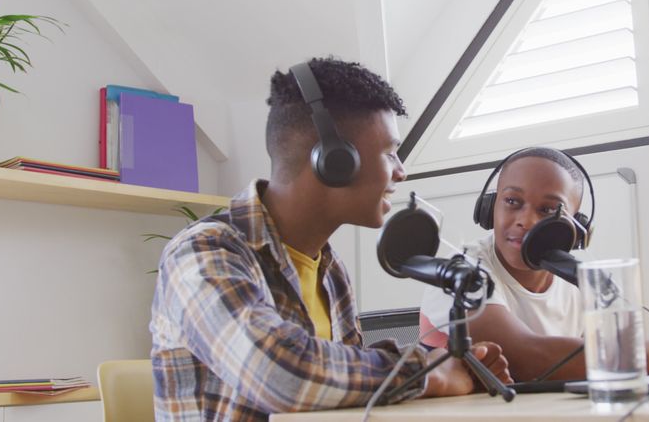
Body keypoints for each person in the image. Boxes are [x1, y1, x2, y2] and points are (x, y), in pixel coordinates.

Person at [150, 57, 510, 420]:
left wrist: (445, 364)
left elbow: (346, 391)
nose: (401, 172)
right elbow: (280, 377)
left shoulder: (329, 268)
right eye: (389, 153)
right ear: (335, 160)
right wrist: (427, 375)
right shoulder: (204, 252)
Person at [419, 147, 649, 382]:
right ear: (488, 207)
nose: (525, 220)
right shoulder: (458, 270)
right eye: (512, 201)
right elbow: (528, 359)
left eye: (548, 210)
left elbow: (615, 351)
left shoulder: (579, 278)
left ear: (575, 228)